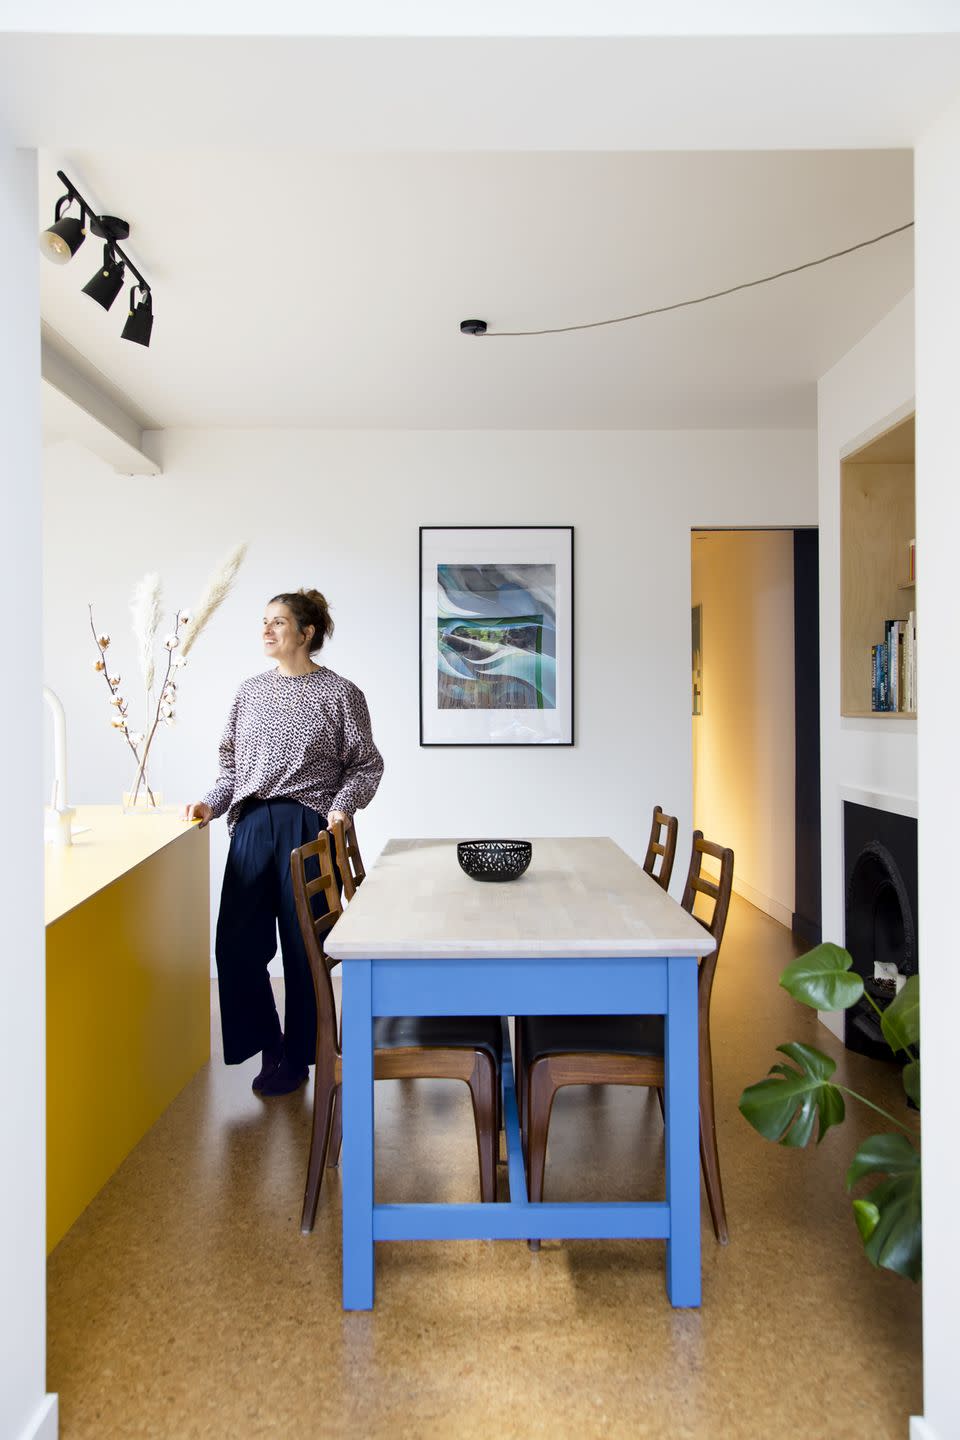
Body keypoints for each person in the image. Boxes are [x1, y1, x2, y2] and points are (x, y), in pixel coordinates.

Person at [185, 588, 384, 1096]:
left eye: (278, 622)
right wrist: (210, 803)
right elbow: (230, 767)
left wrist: (341, 807)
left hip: (308, 827)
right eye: (264, 621)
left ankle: (300, 1057)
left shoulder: (341, 693)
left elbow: (366, 764)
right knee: (237, 947)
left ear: (307, 632)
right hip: (251, 828)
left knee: (304, 950)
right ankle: (271, 1043)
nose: (267, 630)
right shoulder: (249, 692)